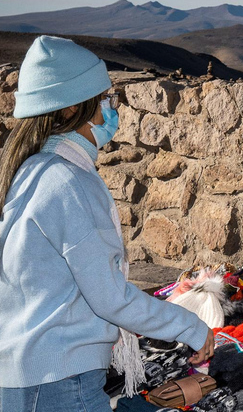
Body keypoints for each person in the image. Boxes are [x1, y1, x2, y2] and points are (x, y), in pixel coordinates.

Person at [0, 36, 214, 412]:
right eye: (103, 101)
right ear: (69, 111)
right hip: (59, 382)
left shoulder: (30, 171)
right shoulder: (69, 182)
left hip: (25, 374)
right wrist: (192, 328)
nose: (110, 110)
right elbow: (110, 296)